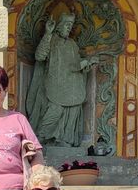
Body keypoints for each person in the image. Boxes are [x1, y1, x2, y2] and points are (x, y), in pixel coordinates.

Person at [26, 13, 94, 148]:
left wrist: (86, 64)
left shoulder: (73, 44)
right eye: (67, 25)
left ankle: (65, 140)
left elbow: (74, 64)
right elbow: (40, 56)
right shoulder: (51, 39)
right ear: (59, 25)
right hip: (54, 85)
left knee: (74, 109)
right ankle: (41, 138)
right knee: (55, 110)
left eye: (71, 25)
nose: (69, 28)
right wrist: (48, 33)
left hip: (71, 86)